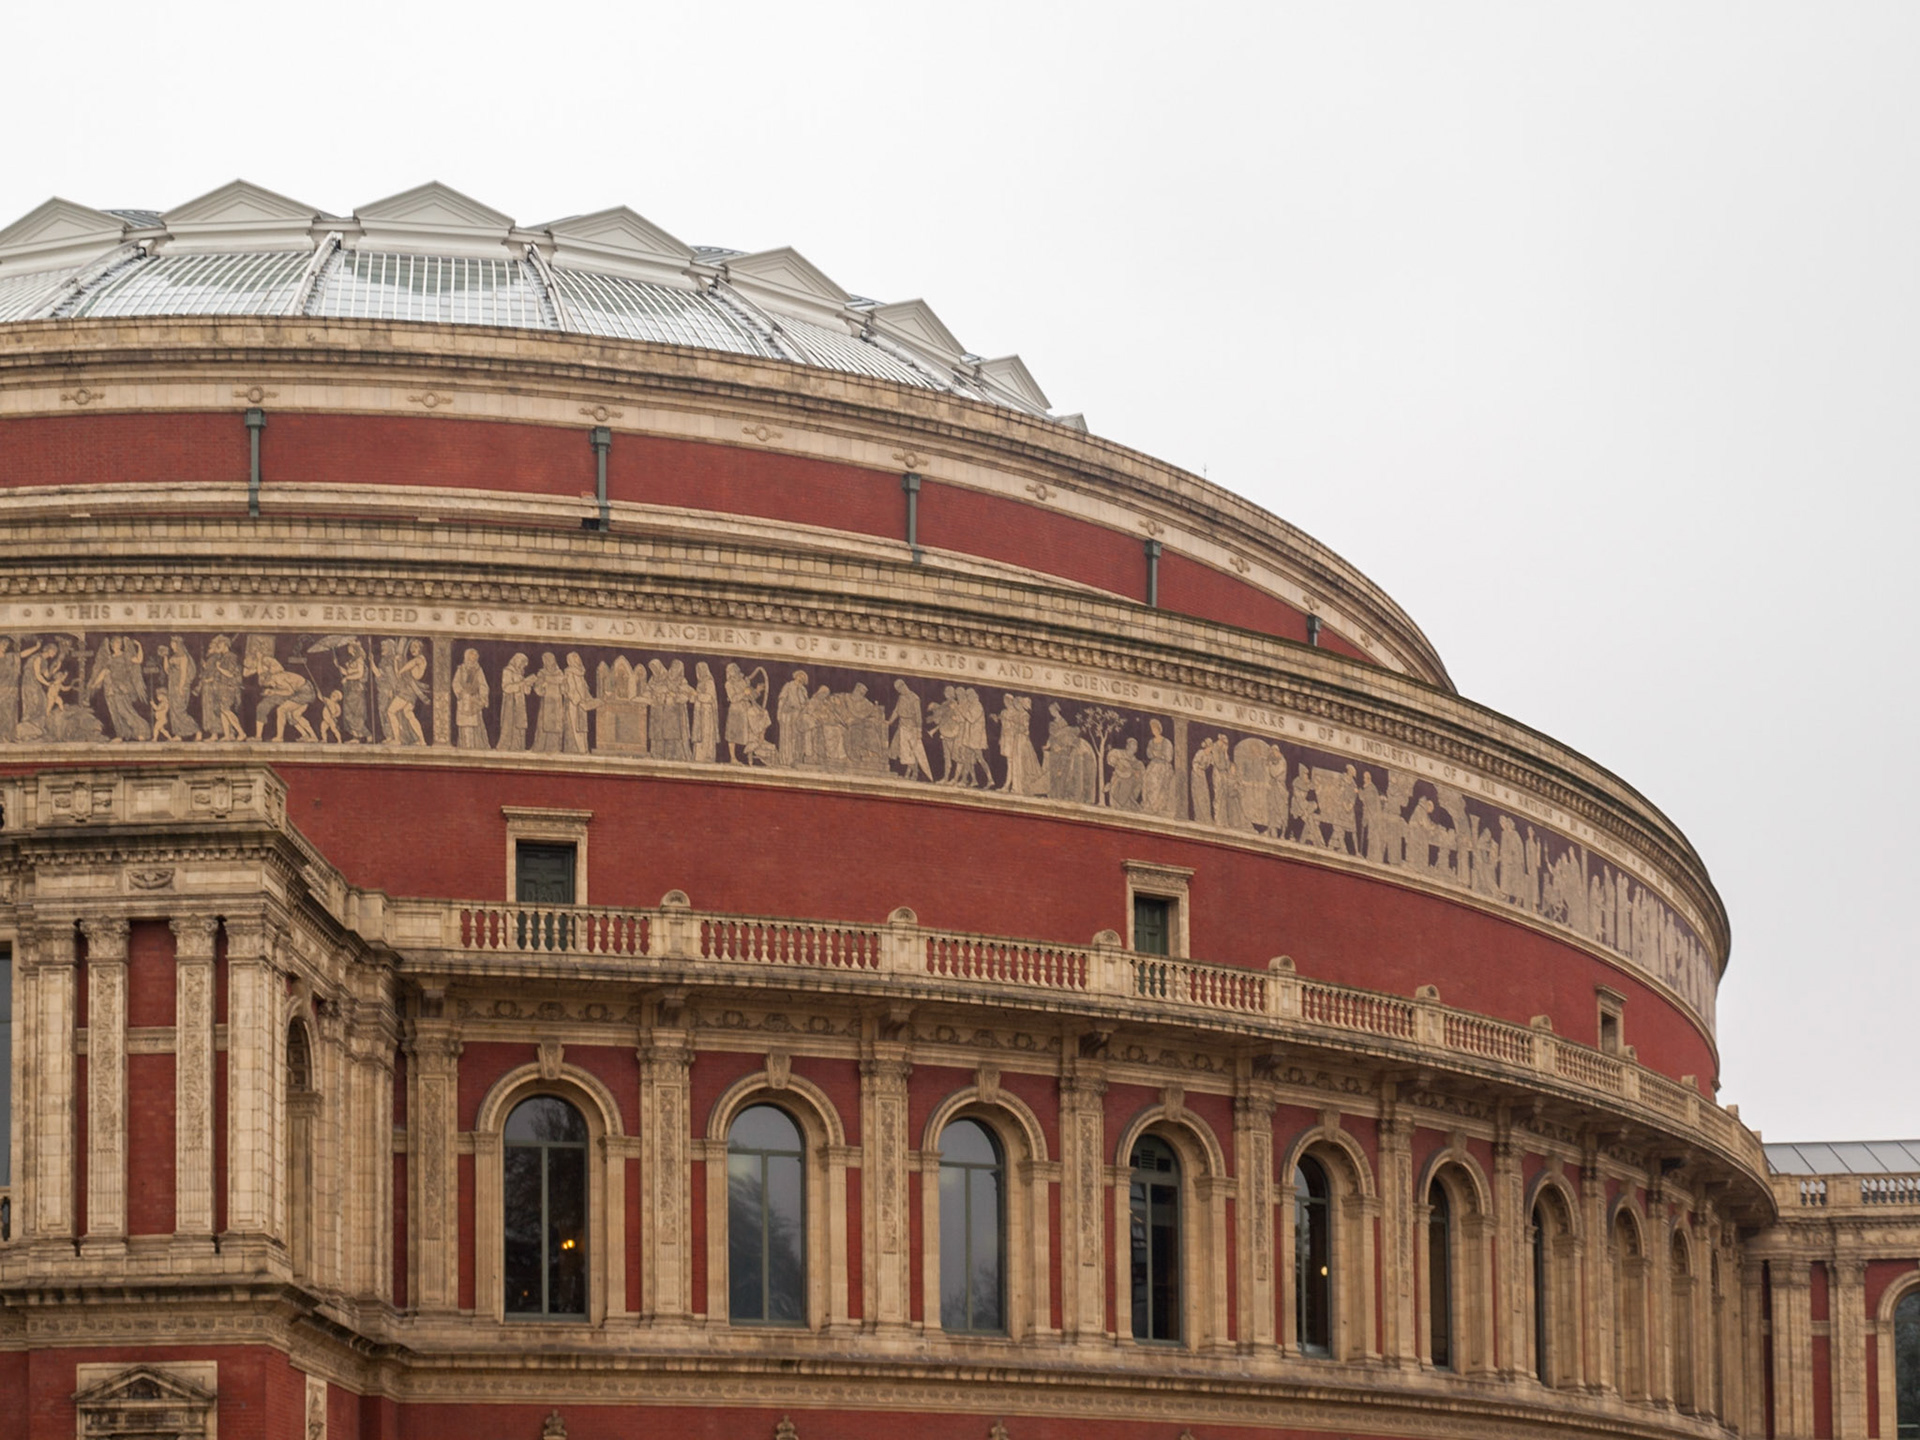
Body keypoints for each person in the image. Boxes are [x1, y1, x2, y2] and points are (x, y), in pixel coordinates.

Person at [724, 663, 772, 764]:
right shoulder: (728, 684)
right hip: (736, 710)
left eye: (735, 670)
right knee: (733, 734)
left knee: (762, 714)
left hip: (746, 708)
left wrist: (757, 691)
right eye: (732, 671)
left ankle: (760, 738)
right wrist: (743, 693)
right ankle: (733, 758)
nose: (735, 673)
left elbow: (751, 696)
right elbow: (733, 698)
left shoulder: (743, 681)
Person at [199, 636, 245, 741]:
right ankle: (227, 735)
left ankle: (241, 733)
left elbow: (230, 674)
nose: (218, 646)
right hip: (221, 688)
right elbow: (218, 675)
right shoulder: (223, 657)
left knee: (226, 711)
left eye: (220, 644)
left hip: (228, 688)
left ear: (225, 645)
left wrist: (219, 668)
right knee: (223, 712)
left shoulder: (231, 657)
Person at [452, 648, 490, 749]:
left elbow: (483, 685)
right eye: (471, 657)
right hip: (463, 701)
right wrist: (461, 693)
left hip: (474, 700)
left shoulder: (478, 670)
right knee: (464, 725)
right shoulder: (460, 669)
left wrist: (483, 698)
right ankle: (465, 746)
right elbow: (455, 683)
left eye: (475, 657)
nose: (473, 660)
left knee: (475, 725)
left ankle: (475, 747)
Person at [497, 653, 533, 752]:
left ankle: (518, 747)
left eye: (524, 665)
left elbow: (527, 692)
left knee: (520, 725)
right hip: (510, 702)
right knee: (510, 725)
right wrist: (522, 683)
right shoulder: (507, 671)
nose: (522, 666)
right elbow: (506, 687)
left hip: (520, 702)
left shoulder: (520, 673)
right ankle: (506, 747)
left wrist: (528, 684)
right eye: (521, 664)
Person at [775, 669, 810, 766]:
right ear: (796, 676)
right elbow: (782, 699)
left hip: (798, 716)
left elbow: (806, 703)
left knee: (797, 738)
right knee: (788, 737)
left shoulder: (803, 690)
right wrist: (779, 712)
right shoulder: (789, 686)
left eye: (803, 678)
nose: (801, 679)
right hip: (788, 714)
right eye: (799, 676)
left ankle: (797, 759)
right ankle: (786, 760)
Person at [1142, 718, 1176, 816]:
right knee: (1149, 782)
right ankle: (1150, 806)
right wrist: (1155, 754)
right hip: (1153, 765)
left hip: (1163, 767)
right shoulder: (1151, 742)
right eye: (1152, 729)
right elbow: (1149, 753)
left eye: (1155, 728)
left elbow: (1169, 756)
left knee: (1160, 786)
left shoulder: (1166, 742)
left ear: (1159, 729)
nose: (1153, 731)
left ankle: (1159, 807)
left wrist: (1159, 754)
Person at [692, 661, 719, 763]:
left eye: (700, 669)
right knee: (700, 733)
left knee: (706, 733)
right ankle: (699, 756)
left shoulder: (709, 682)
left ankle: (707, 756)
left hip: (707, 711)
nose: (699, 672)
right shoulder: (700, 682)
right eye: (698, 670)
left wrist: (697, 695)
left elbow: (709, 698)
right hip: (699, 711)